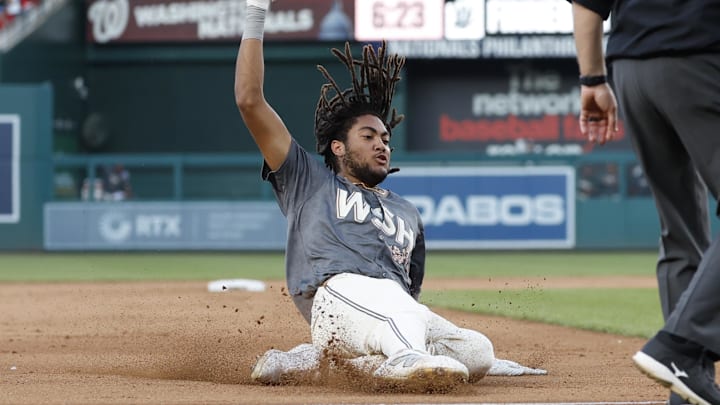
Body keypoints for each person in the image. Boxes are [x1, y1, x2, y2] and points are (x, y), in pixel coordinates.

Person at [235, 0, 545, 391]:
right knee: (400, 317)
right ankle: (400, 357)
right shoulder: (308, 179)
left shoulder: (406, 212)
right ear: (337, 147)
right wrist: (256, 13)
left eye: (385, 138)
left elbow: (409, 295)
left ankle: (316, 361)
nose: (382, 144)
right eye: (368, 137)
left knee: (478, 351)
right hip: (334, 299)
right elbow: (249, 100)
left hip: (385, 311)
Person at [570, 1, 720, 404]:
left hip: (632, 70)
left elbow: (586, 3)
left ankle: (687, 386)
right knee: (682, 228)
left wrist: (592, 79)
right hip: (701, 56)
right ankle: (681, 348)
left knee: (680, 230)